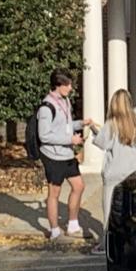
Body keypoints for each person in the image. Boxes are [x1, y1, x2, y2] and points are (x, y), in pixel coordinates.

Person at [82, 89, 136, 254]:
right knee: (130, 210)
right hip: (132, 170)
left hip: (114, 171)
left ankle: (106, 243)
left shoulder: (112, 124)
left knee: (109, 211)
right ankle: (132, 242)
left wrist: (94, 129)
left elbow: (103, 143)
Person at [36, 70, 85, 240]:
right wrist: (69, 139)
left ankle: (72, 224)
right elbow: (44, 135)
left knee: (79, 186)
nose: (71, 88)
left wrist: (80, 123)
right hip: (53, 156)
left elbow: (66, 123)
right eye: (68, 85)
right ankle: (54, 230)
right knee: (54, 193)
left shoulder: (65, 101)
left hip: (67, 154)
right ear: (58, 85)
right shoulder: (46, 107)